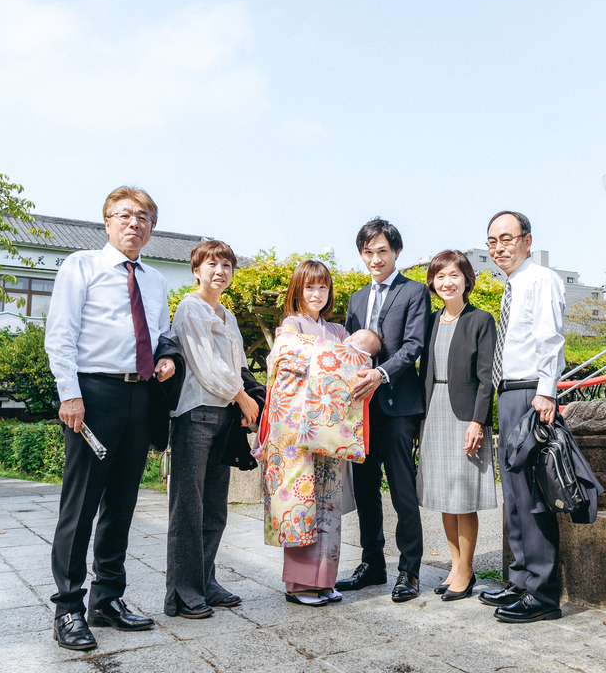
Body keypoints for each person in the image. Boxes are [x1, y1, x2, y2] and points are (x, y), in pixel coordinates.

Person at [45, 186, 182, 650]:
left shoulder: (156, 280)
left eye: (143, 217)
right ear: (106, 222)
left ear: (151, 228)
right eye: (124, 215)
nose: (133, 223)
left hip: (140, 396)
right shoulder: (80, 266)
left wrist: (167, 358)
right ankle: (68, 607)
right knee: (80, 504)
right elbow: (59, 334)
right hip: (94, 393)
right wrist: (70, 395)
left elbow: (162, 335)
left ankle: (108, 598)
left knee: (122, 502)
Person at [265, 260, 380, 606]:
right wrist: (334, 358)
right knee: (301, 502)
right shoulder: (291, 325)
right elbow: (286, 360)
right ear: (298, 291)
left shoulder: (338, 331)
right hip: (298, 430)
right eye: (309, 287)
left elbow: (359, 362)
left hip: (331, 430)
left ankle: (324, 581)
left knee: (328, 504)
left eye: (322, 287)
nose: (316, 294)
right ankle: (299, 585)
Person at [477, 210, 568, 623]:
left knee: (532, 495)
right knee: (513, 495)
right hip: (508, 391)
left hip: (531, 392)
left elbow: (550, 337)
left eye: (507, 239)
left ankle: (543, 594)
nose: (499, 248)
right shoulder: (512, 285)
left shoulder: (541, 279)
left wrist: (547, 391)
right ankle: (520, 580)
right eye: (493, 241)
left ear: (527, 241)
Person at [164, 240, 261, 619]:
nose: (220, 271)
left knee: (214, 507)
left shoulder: (227, 315)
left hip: (222, 418)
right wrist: (242, 397)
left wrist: (245, 400)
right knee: (188, 507)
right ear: (196, 270)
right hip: (196, 415)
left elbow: (236, 365)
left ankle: (206, 581)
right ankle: (183, 593)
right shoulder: (191, 308)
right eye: (212, 264)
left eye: (226, 265)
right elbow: (206, 365)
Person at [337, 218, 431, 602]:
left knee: (401, 490)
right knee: (365, 489)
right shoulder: (357, 298)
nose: (375, 258)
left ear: (396, 252)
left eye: (382, 251)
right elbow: (347, 347)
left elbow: (413, 347)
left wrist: (380, 374)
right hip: (361, 409)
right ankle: (372, 563)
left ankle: (409, 569)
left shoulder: (415, 292)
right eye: (368, 252)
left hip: (397, 406)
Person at [418, 250, 497, 602]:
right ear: (433, 283)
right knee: (444, 497)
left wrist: (478, 421)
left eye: (453, 275)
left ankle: (466, 568)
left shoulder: (481, 319)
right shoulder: (432, 321)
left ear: (466, 278)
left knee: (464, 497)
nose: (446, 282)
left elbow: (486, 378)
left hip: (465, 414)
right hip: (434, 410)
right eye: (439, 276)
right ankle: (454, 565)